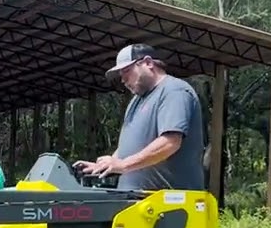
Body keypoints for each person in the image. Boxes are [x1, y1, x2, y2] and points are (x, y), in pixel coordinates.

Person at [74, 44, 206, 191]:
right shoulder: (136, 101)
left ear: (148, 63)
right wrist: (107, 165)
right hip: (138, 200)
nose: (123, 79)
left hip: (171, 201)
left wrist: (124, 165)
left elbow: (170, 142)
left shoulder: (174, 91)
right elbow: (127, 147)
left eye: (126, 71)